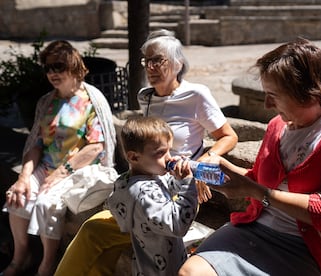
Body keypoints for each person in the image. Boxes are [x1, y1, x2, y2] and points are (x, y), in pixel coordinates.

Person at [178, 38, 321, 276]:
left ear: (305, 92)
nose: (267, 103)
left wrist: (254, 191)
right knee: (190, 273)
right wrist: (225, 172)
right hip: (254, 229)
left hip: (308, 248)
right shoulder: (276, 126)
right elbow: (258, 181)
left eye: (273, 94)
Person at [54, 29, 238, 275]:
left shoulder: (196, 95)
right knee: (92, 231)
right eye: (146, 61)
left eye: (157, 60)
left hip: (177, 190)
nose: (150, 67)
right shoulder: (146, 97)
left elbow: (229, 136)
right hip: (145, 186)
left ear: (177, 63)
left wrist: (200, 168)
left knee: (114, 233)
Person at [1, 40, 116, 276]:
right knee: (16, 196)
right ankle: (21, 257)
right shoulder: (47, 102)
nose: (53, 72)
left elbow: (95, 147)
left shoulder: (91, 100)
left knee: (46, 203)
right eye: (48, 67)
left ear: (74, 67)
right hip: (46, 166)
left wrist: (60, 173)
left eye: (59, 66)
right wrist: (23, 177)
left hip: (77, 170)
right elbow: (36, 144)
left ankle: (47, 263)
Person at [107, 116, 198, 275]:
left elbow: (166, 186)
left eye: (169, 150)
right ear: (134, 157)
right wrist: (187, 185)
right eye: (161, 153)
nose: (169, 157)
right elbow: (177, 224)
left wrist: (177, 178)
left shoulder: (128, 181)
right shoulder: (145, 193)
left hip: (145, 264)